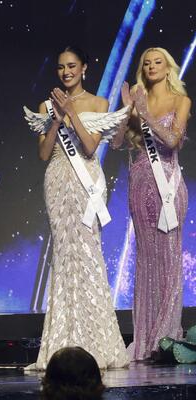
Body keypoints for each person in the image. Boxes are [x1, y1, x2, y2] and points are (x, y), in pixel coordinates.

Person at [23, 46, 129, 370]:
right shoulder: (45, 106)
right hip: (57, 180)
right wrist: (56, 120)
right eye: (61, 67)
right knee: (64, 255)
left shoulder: (98, 103)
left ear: (84, 68)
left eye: (71, 66)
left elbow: (91, 146)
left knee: (88, 253)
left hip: (87, 184)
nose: (66, 72)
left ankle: (97, 341)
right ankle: (63, 339)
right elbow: (44, 153)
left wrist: (70, 110)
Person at [111, 47, 191, 361]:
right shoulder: (137, 99)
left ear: (168, 67)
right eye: (147, 63)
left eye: (158, 62)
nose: (152, 66)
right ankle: (145, 340)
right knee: (146, 261)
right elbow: (117, 143)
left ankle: (166, 337)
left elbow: (172, 141)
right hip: (140, 182)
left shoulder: (181, 101)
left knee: (169, 258)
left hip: (168, 186)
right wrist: (126, 111)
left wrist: (144, 113)